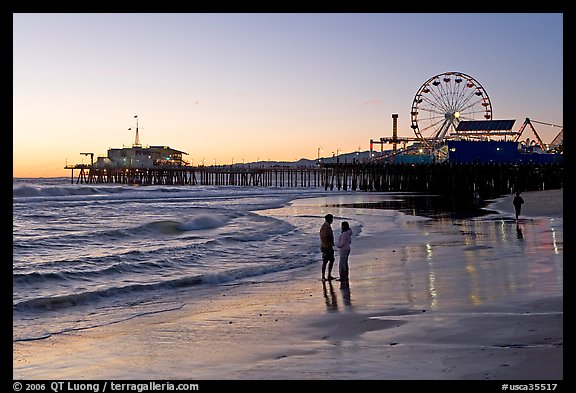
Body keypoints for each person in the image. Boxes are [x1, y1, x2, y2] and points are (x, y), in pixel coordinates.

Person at [319, 214, 335, 281]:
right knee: (325, 261)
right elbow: (324, 237)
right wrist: (328, 243)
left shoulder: (327, 226)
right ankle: (323, 276)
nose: (332, 220)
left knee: (331, 260)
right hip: (326, 246)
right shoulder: (325, 227)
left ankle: (329, 275)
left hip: (329, 246)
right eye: (332, 219)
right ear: (330, 219)